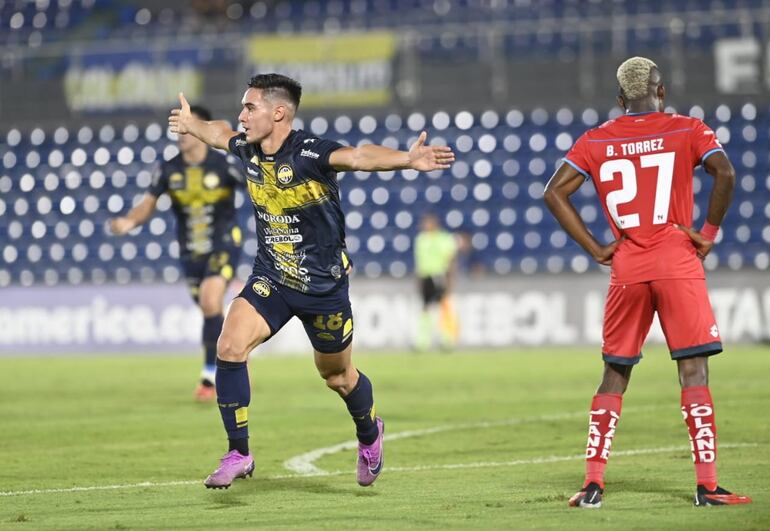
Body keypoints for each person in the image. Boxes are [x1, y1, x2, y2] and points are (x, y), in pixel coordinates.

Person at [168, 73, 455, 489]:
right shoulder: (247, 148)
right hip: (272, 276)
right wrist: (192, 124)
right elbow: (219, 133)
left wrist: (406, 159)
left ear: (278, 112)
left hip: (323, 287)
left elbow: (358, 157)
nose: (242, 115)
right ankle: (239, 452)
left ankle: (370, 433)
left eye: (250, 107)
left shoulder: (310, 153)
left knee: (338, 377)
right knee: (229, 346)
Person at [544, 57, 752, 508]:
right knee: (693, 369)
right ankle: (707, 486)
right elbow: (726, 173)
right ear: (662, 91)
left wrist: (598, 249)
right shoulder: (687, 129)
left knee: (615, 372)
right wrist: (710, 235)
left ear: (620, 101)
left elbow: (553, 193)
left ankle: (593, 483)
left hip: (627, 267)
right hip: (678, 261)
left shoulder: (596, 139)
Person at [110, 105, 244, 403]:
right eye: (178, 128)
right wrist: (130, 221)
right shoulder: (168, 169)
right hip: (190, 252)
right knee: (210, 310)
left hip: (224, 243)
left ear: (201, 129)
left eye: (188, 126)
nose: (181, 134)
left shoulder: (224, 164)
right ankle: (234, 352)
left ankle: (210, 376)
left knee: (211, 300)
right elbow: (149, 202)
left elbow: (257, 185)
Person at [413, 213, 461, 351]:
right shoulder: (421, 239)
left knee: (444, 307)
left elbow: (451, 260)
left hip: (439, 275)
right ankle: (422, 342)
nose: (425, 226)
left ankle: (447, 340)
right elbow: (419, 261)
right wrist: (418, 279)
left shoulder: (444, 238)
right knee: (425, 308)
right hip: (425, 276)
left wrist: (450, 279)